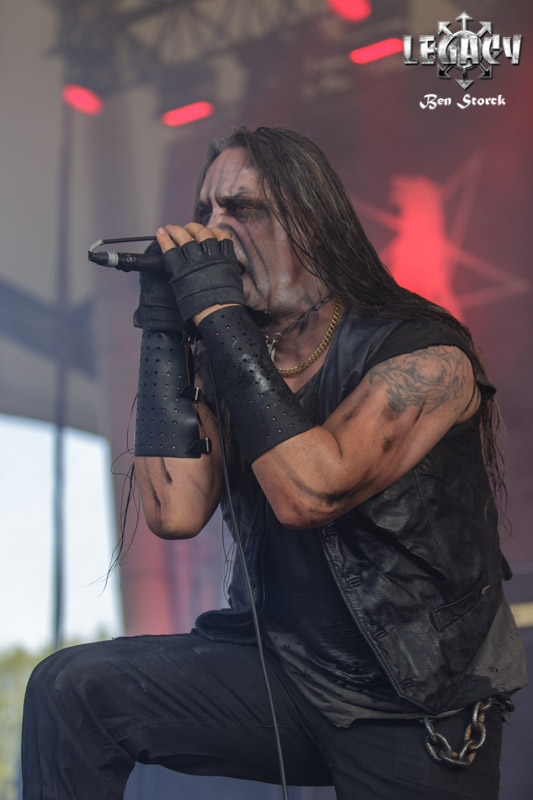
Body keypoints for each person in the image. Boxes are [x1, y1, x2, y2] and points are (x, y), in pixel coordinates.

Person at [22, 126, 526, 799]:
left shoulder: (425, 356)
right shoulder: (234, 358)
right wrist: (163, 328)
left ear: (312, 226)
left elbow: (311, 491)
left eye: (242, 209)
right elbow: (175, 513)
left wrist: (218, 315)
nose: (213, 229)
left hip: (407, 695)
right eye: (206, 210)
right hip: (281, 671)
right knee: (70, 690)